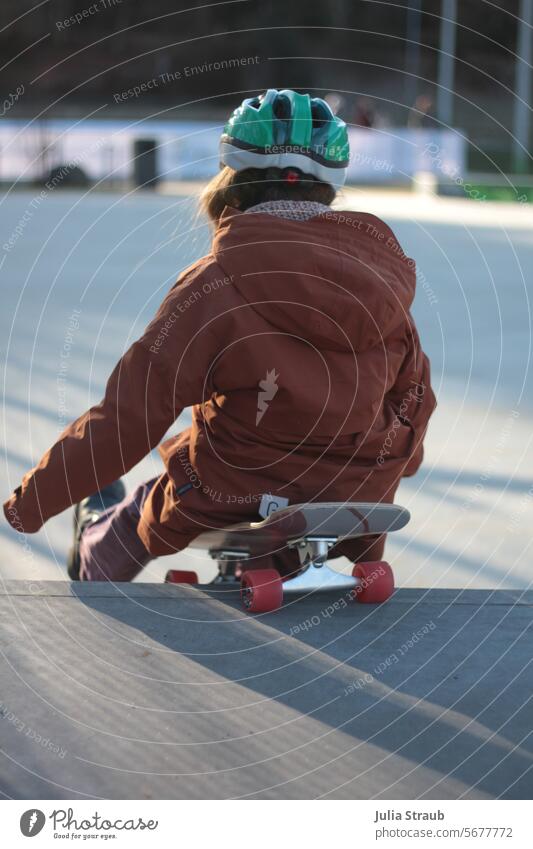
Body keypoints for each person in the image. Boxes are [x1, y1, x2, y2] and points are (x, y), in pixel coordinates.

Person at [4, 88, 436, 582]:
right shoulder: (381, 283)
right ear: (330, 188)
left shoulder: (211, 287)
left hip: (233, 488)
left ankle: (95, 557)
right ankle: (268, 562)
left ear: (234, 181)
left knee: (150, 504)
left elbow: (130, 417)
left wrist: (30, 504)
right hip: (354, 494)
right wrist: (380, 475)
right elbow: (415, 400)